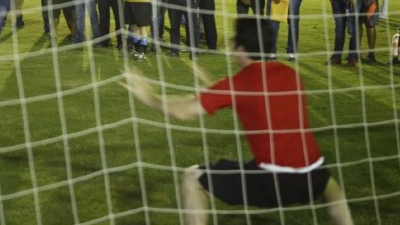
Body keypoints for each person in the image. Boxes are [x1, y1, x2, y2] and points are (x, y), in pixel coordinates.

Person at [121, 17, 354, 225]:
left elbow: (183, 111)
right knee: (329, 186)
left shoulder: (238, 84)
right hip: (313, 170)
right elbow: (258, 102)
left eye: (234, 42)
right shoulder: (290, 74)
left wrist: (148, 96)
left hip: (273, 180)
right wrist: (213, 87)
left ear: (241, 48)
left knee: (193, 178)